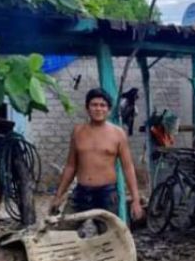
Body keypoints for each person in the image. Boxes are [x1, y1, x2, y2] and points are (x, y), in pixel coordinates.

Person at [50, 88, 144, 220]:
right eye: (94, 105)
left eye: (102, 105)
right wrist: (58, 195)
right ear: (87, 108)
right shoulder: (78, 132)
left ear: (109, 109)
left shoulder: (118, 134)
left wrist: (136, 200)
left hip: (107, 194)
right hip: (81, 192)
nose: (98, 109)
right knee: (65, 233)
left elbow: (128, 168)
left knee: (110, 237)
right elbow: (70, 166)